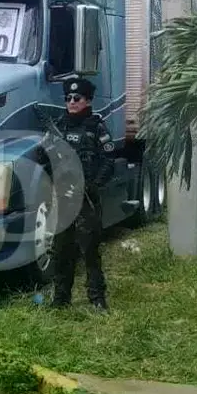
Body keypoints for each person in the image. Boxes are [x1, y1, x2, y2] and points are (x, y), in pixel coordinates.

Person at [50, 78, 116, 313]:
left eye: (76, 98)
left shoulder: (96, 127)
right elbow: (48, 157)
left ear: (88, 100)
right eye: (68, 98)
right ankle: (61, 299)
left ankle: (97, 299)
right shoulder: (59, 127)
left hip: (86, 198)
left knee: (89, 250)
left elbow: (109, 161)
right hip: (64, 197)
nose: (71, 102)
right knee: (61, 250)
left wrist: (94, 185)